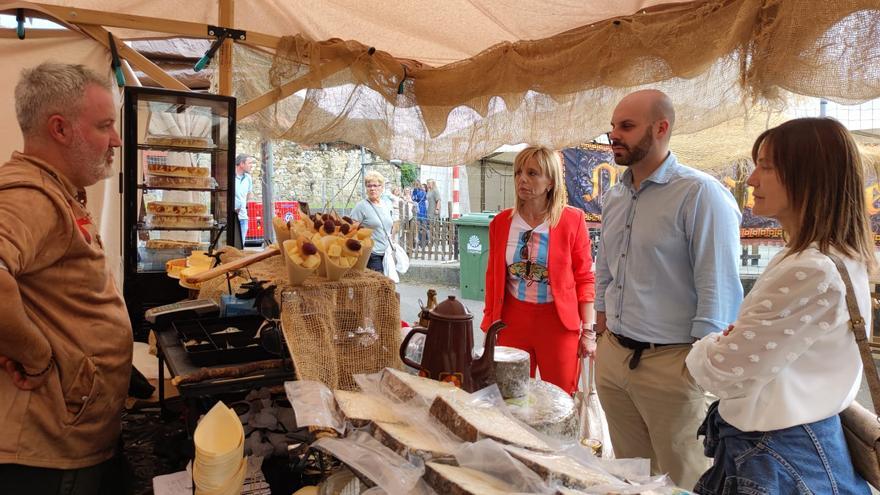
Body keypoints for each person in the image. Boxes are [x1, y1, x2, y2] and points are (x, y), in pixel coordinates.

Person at [686, 118, 873, 494]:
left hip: (781, 454)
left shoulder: (811, 268)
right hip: (788, 447)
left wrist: (705, 347)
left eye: (767, 166)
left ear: (810, 176)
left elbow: (725, 370)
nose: (752, 179)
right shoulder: (821, 257)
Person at [593, 89, 743, 488]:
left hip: (673, 366)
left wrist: (694, 369)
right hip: (614, 359)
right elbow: (606, 268)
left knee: (683, 480)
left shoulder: (700, 194)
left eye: (626, 126)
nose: (614, 135)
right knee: (631, 475)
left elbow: (718, 289)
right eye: (612, 127)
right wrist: (602, 330)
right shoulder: (616, 195)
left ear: (661, 128)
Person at [0, 62, 132, 493]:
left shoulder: (55, 188)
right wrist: (36, 354)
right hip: (45, 455)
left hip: (67, 435)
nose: (115, 140)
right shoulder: (31, 195)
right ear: (59, 128)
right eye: (105, 126)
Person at [481, 146, 595, 394]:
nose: (522, 179)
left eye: (533, 173)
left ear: (551, 182)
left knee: (561, 397)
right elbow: (492, 278)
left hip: (558, 323)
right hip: (512, 321)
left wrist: (589, 331)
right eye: (518, 172)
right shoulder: (501, 223)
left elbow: (585, 278)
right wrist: (490, 324)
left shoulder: (572, 220)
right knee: (511, 395)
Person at [351, 171, 394, 274]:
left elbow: (389, 226)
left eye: (375, 185)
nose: (372, 189)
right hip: (371, 254)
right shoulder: (361, 206)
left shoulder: (386, 205)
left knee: (386, 284)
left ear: (382, 187)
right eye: (369, 186)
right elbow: (351, 228)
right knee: (380, 284)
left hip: (386, 253)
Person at [234, 153, 255, 244]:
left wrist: (243, 205)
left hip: (243, 217)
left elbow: (249, 194)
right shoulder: (229, 177)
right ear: (242, 164)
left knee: (240, 248)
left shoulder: (248, 178)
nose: (251, 166)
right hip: (231, 218)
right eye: (249, 163)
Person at [411, 180, 428, 247]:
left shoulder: (418, 191)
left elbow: (414, 198)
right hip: (420, 209)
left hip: (420, 209)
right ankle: (422, 241)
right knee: (421, 226)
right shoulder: (421, 192)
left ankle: (423, 241)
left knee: (421, 226)